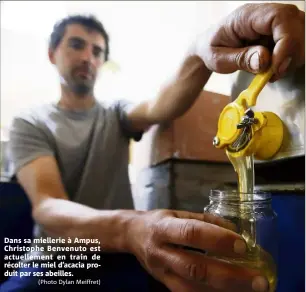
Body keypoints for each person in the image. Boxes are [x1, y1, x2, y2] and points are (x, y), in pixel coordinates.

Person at [2, 2, 304, 292]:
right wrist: (128, 228)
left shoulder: (115, 114)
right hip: (56, 259)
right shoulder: (29, 122)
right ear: (52, 53)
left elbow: (161, 106)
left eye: (97, 51)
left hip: (119, 259)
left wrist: (200, 52)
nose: (88, 57)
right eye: (77, 45)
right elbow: (48, 207)